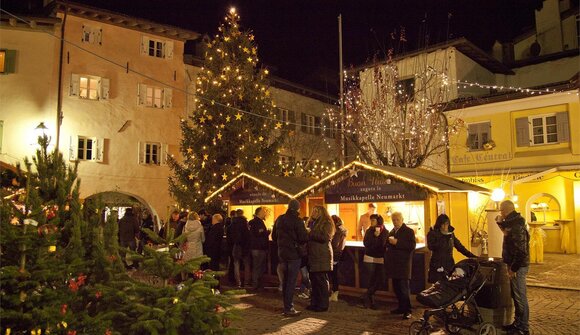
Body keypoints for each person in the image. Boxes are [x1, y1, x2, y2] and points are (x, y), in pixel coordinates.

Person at [497, 200, 530, 335]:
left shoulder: (516, 225)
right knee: (516, 295)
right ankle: (517, 323)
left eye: (501, 210)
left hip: (518, 266)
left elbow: (521, 250)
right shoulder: (513, 222)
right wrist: (499, 223)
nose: (500, 213)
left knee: (520, 296)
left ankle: (523, 328)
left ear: (505, 210)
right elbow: (507, 231)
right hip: (514, 264)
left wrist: (513, 268)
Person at [272, 199, 308, 317]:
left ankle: (286, 305)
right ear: (298, 208)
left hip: (282, 254)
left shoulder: (279, 219)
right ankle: (289, 308)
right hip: (293, 254)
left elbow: (273, 236)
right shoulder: (298, 221)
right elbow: (303, 238)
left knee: (285, 281)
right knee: (291, 282)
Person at [427, 214, 476, 284]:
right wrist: (442, 239)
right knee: (437, 286)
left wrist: (472, 256)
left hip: (449, 264)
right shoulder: (433, 234)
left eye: (446, 224)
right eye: (442, 224)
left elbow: (460, 247)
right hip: (437, 264)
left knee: (449, 284)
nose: (445, 227)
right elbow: (431, 247)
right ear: (439, 225)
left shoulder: (451, 234)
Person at [385, 212, 416, 320]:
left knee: (404, 289)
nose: (395, 222)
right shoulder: (392, 231)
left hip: (403, 264)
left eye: (397, 219)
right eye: (393, 220)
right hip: (394, 265)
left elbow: (411, 246)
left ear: (402, 219)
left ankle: (408, 310)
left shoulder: (408, 231)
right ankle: (401, 307)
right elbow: (387, 244)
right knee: (397, 287)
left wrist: (397, 242)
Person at [306, 206, 335, 312]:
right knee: (313, 281)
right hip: (313, 255)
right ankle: (314, 303)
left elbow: (325, 237)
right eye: (313, 210)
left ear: (322, 213)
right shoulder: (311, 222)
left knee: (321, 281)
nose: (313, 212)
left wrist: (310, 232)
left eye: (316, 211)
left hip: (321, 255)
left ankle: (323, 304)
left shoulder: (327, 223)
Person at [361, 214, 388, 309]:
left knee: (381, 279)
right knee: (370, 279)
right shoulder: (369, 231)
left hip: (380, 258)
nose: (371, 222)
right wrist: (375, 237)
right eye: (371, 220)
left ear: (378, 221)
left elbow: (382, 244)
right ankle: (370, 300)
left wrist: (377, 237)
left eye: (373, 220)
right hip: (369, 257)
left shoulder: (385, 231)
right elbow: (366, 243)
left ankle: (367, 295)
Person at [248, 207, 270, 290]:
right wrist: (267, 232)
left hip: (255, 248)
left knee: (257, 266)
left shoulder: (252, 222)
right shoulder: (258, 222)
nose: (265, 213)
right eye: (263, 212)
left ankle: (256, 283)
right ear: (259, 213)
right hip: (259, 248)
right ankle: (256, 284)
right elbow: (259, 233)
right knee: (258, 266)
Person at [230, 209, 251, 287]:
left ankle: (238, 282)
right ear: (242, 214)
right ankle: (246, 282)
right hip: (244, 245)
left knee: (236, 264)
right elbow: (248, 235)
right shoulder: (245, 223)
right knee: (247, 264)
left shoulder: (233, 223)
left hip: (236, 245)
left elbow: (231, 234)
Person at [330, 215, 347, 302]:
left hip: (334, 255)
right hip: (338, 255)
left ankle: (334, 293)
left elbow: (334, 244)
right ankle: (334, 293)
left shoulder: (337, 231)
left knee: (333, 275)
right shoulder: (342, 230)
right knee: (334, 275)